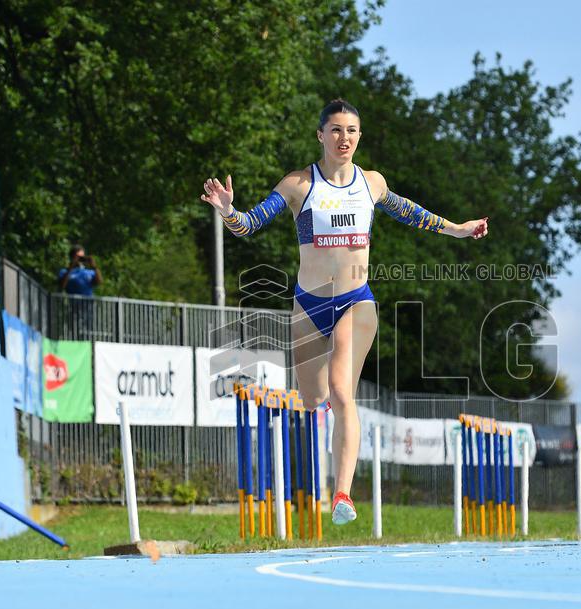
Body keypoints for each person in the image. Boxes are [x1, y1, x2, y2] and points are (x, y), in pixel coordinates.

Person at [200, 98, 488, 525]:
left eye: (351, 131)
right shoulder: (298, 184)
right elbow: (251, 223)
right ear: (321, 135)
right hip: (307, 303)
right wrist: (228, 212)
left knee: (340, 392)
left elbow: (410, 211)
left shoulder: (371, 183)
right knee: (312, 397)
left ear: (359, 136)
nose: (344, 138)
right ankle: (329, 459)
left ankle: (343, 494)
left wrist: (456, 228)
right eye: (336, 130)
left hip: (356, 301)